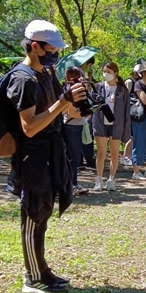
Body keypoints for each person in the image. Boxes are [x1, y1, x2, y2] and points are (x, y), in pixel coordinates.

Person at [8, 20, 87, 293]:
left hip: (52, 149)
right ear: (34, 46)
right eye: (51, 49)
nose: (55, 54)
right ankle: (32, 277)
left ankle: (42, 271)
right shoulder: (23, 79)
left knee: (44, 210)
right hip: (32, 155)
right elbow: (29, 126)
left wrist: (76, 101)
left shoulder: (46, 73)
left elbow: (57, 110)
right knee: (33, 212)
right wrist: (63, 101)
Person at [92, 62, 131, 191]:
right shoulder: (98, 87)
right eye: (104, 71)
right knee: (101, 154)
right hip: (101, 124)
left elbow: (126, 111)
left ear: (115, 73)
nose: (106, 74)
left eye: (109, 72)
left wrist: (126, 129)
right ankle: (98, 180)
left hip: (116, 125)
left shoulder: (122, 90)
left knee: (114, 153)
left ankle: (111, 179)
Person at [60, 67, 90, 196]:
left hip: (77, 126)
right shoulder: (70, 91)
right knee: (73, 157)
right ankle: (70, 185)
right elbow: (72, 113)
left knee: (75, 157)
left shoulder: (80, 89)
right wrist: (88, 112)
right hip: (71, 126)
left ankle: (73, 183)